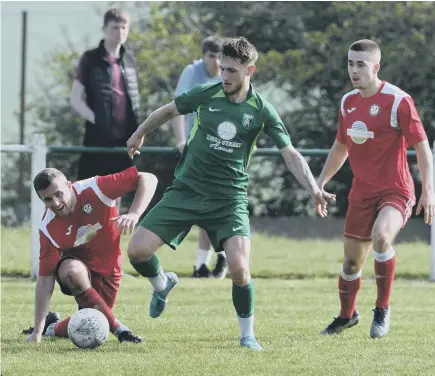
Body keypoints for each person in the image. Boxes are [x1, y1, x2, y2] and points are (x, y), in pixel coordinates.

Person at [125, 37, 335, 350]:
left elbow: (289, 153)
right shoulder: (206, 93)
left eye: (232, 71)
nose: (225, 76)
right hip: (187, 189)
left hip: (228, 199)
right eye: (222, 68)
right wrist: (139, 133)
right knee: (136, 252)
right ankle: (161, 283)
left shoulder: (261, 110)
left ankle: (247, 336)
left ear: (250, 70)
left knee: (239, 269)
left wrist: (315, 189)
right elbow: (168, 111)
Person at [318, 39, 435, 338]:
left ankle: (382, 310)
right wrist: (319, 183)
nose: (354, 70)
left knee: (381, 237)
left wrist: (429, 190)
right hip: (362, 192)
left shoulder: (398, 101)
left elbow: (422, 148)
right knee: (350, 262)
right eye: (350, 63)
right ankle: (347, 315)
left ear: (376, 67)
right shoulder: (347, 102)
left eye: (361, 64)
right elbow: (340, 147)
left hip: (396, 189)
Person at [24, 166, 158, 344]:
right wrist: (36, 333)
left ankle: (53, 326)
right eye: (47, 199)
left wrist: (134, 213)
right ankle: (122, 332)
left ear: (69, 185)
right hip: (76, 267)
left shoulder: (96, 187)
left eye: (58, 194)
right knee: (72, 271)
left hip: (109, 270)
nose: (55, 203)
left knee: (94, 320)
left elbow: (148, 178)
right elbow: (45, 281)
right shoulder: (47, 228)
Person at [170, 35, 228, 279]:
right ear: (203, 56)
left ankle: (218, 259)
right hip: (198, 150)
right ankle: (203, 265)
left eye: (219, 56)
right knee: (203, 208)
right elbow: (176, 109)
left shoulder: (230, 74)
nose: (215, 62)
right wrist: (181, 142)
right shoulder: (192, 73)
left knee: (220, 206)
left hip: (224, 150)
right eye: (211, 56)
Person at [70, 8, 140, 208]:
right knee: (89, 189)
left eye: (124, 27)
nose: (120, 31)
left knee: (118, 189)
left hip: (124, 139)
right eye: (115, 27)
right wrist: (97, 119)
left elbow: (134, 99)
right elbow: (75, 99)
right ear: (104, 28)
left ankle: (112, 233)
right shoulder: (90, 59)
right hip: (97, 138)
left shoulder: (129, 60)